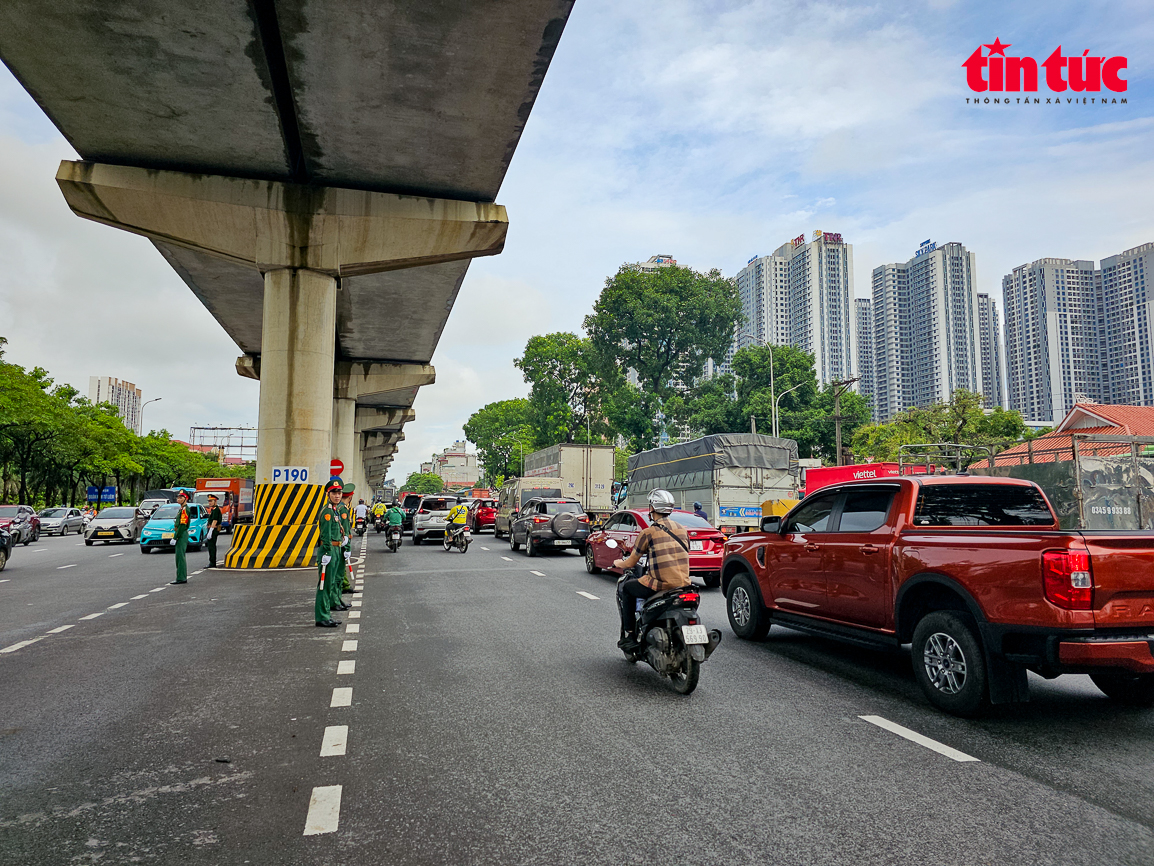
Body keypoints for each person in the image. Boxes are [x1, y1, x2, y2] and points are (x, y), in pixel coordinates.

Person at [612, 489, 692, 648]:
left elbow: (630, 563)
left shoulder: (648, 532)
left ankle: (630, 635)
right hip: (684, 584)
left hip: (661, 584)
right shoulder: (682, 529)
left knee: (627, 588)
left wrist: (618, 563)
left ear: (652, 508)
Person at [315, 479, 344, 627]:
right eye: (334, 493)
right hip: (329, 550)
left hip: (336, 549)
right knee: (324, 585)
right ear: (328, 494)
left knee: (331, 583)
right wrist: (326, 552)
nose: (337, 496)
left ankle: (326, 615)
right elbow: (325, 534)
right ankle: (322, 617)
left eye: (339, 493)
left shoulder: (334, 510)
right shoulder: (327, 512)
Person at [169, 490, 192, 585]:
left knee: (180, 557)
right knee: (179, 557)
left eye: (181, 497)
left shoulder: (185, 509)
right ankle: (180, 576)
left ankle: (181, 577)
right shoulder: (182, 509)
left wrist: (175, 537)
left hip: (181, 534)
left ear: (185, 499)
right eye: (178, 497)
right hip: (180, 533)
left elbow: (182, 525)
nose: (179, 499)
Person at [205, 493, 223, 568]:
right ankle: (212, 561)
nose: (209, 503)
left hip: (214, 529)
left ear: (215, 501)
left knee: (212, 547)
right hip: (212, 529)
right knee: (210, 546)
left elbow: (214, 521)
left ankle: (212, 562)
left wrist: (211, 531)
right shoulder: (213, 510)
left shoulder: (216, 510)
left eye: (211, 501)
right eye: (209, 501)